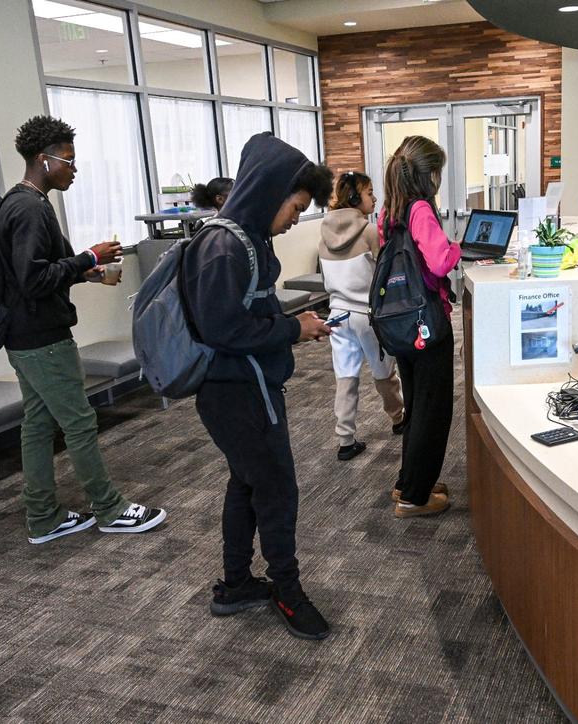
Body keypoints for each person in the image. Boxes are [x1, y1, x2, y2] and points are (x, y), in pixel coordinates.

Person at [183, 132, 335, 641]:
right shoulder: (225, 246)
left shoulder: (244, 239)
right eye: (295, 206)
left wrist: (294, 321)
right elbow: (222, 329)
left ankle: (234, 585)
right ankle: (287, 593)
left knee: (247, 483)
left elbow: (245, 312)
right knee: (276, 490)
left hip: (243, 387)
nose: (296, 218)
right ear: (271, 191)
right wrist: (294, 329)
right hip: (238, 393)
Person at [0, 115, 166, 544]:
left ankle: (43, 517)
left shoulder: (21, 202)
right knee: (79, 422)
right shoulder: (31, 209)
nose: (74, 169)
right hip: (43, 338)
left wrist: (86, 272)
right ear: (43, 159)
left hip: (24, 335)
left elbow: (37, 274)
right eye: (68, 161)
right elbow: (32, 280)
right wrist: (88, 258)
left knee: (38, 424)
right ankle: (109, 508)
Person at [378, 136, 461, 518]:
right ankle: (415, 497)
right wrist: (458, 246)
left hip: (402, 325)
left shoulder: (389, 210)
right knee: (433, 409)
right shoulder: (421, 209)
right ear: (429, 175)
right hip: (428, 323)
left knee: (416, 406)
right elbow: (441, 262)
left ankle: (410, 482)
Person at [319, 171, 406, 461]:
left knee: (345, 377)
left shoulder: (324, 231)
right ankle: (398, 419)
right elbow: (384, 273)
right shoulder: (369, 231)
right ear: (355, 198)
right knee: (384, 373)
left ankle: (345, 440)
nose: (375, 198)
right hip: (365, 315)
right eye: (370, 193)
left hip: (336, 316)